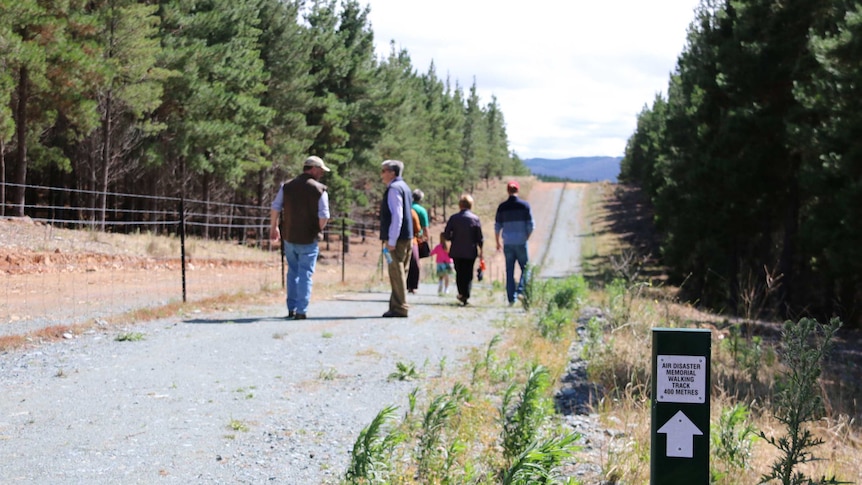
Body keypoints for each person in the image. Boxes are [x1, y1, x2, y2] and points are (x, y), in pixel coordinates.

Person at [270, 156, 331, 320]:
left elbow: (275, 206)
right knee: (305, 274)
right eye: (321, 171)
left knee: (293, 271)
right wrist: (317, 229)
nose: (321, 174)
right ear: (314, 169)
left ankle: (291, 308)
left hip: (289, 235)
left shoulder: (287, 186)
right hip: (309, 238)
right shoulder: (320, 189)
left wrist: (274, 227)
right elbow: (324, 215)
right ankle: (301, 310)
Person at [379, 159, 413, 318]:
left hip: (396, 239)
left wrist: (391, 240)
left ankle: (400, 307)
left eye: (384, 170)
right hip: (407, 237)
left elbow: (397, 216)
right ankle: (395, 305)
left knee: (396, 271)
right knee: (400, 272)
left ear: (392, 173)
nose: (382, 174)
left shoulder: (394, 189)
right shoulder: (404, 187)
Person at [495, 180, 534, 305]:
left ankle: (511, 298)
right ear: (518, 190)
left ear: (508, 191)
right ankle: (521, 290)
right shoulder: (525, 206)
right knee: (525, 268)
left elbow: (497, 226)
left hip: (508, 242)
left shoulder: (502, 207)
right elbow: (531, 225)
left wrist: (497, 242)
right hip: (521, 241)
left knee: (509, 270)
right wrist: (526, 237)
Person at [444, 194, 483, 306]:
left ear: (460, 205)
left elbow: (446, 235)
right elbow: (479, 238)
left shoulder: (454, 218)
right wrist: (481, 251)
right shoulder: (475, 219)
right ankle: (465, 294)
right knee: (468, 273)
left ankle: (462, 293)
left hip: (457, 250)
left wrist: (453, 238)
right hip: (470, 251)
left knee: (459, 273)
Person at [407, 189, 429, 293]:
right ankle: (412, 285)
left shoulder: (407, 207)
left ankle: (405, 284)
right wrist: (426, 238)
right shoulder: (421, 210)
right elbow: (424, 228)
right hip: (416, 239)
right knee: (415, 263)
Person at [407, 207, 422, 293]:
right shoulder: (412, 212)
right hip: (411, 241)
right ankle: (412, 286)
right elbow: (418, 229)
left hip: (395, 242)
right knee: (414, 264)